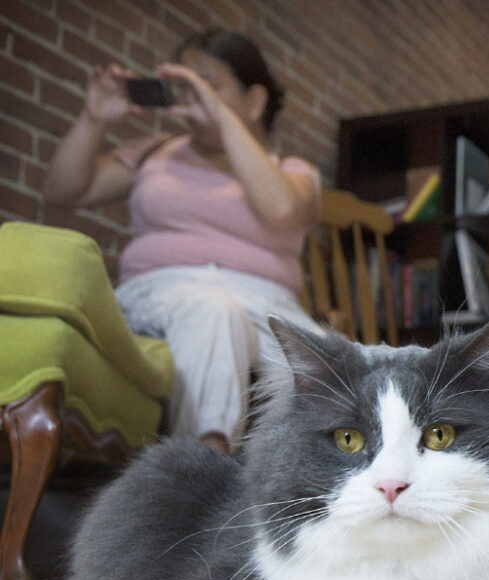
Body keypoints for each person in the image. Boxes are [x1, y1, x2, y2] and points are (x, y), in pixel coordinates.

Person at [43, 29, 322, 454]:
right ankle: (198, 478)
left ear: (254, 101)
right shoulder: (157, 151)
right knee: (212, 310)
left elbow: (282, 210)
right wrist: (95, 117)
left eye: (209, 83)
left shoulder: (290, 169)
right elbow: (64, 190)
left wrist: (222, 117)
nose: (191, 96)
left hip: (265, 303)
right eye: (185, 83)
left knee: (339, 372)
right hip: (163, 292)